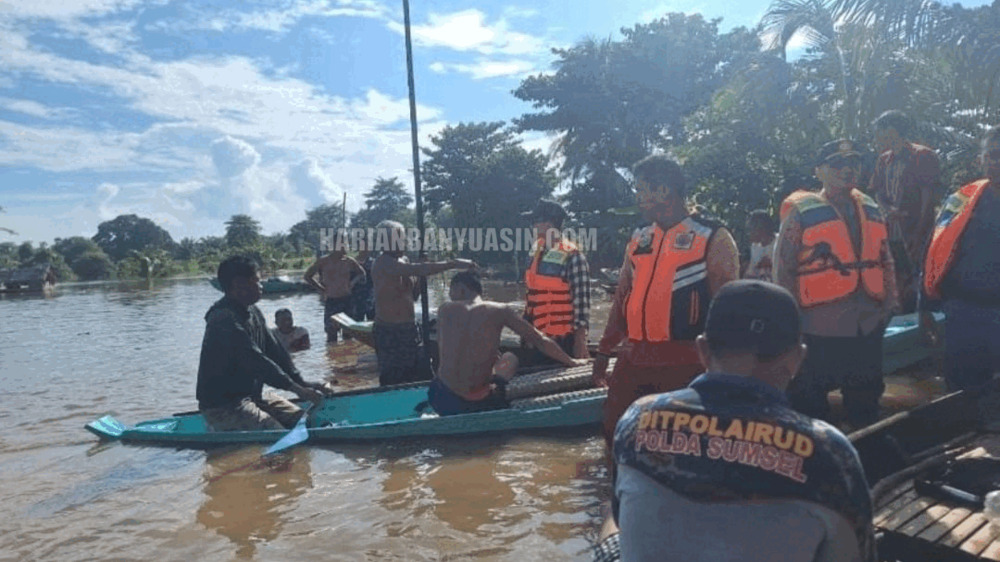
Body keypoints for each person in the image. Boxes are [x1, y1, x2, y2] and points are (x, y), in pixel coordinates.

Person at [598, 280, 876, 562]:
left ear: (703, 350)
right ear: (797, 359)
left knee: (610, 520)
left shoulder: (637, 419)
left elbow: (625, 520)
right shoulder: (829, 453)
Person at [593, 154, 740, 448]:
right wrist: (603, 352)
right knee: (615, 437)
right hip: (635, 357)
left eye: (640, 189)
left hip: (687, 361)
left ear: (663, 191)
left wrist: (728, 371)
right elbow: (622, 295)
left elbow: (729, 310)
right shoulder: (640, 237)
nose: (637, 197)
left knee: (680, 446)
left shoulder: (712, 236)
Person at [774, 139, 898, 428]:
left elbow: (886, 258)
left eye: (853, 163)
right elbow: (783, 268)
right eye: (837, 164)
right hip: (818, 326)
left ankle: (866, 459)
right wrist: (791, 321)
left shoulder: (871, 207)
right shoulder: (800, 211)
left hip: (866, 322)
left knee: (866, 399)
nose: (847, 170)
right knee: (809, 403)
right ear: (819, 171)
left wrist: (890, 302)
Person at [196, 256, 329, 431]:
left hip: (253, 397)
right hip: (224, 406)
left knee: (303, 421)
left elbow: (276, 352)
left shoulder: (253, 312)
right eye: (257, 280)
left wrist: (303, 382)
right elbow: (254, 360)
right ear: (239, 284)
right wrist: (297, 390)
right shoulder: (222, 319)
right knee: (279, 435)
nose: (261, 285)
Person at [429, 271, 586, 416]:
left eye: (451, 292)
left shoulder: (444, 310)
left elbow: (449, 349)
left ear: (460, 289)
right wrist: (572, 361)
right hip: (476, 403)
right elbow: (540, 340)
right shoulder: (501, 310)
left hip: (442, 398)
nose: (450, 297)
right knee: (510, 357)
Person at [920, 125, 1000, 394]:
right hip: (963, 312)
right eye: (993, 154)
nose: (997, 161)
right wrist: (926, 304)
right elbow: (936, 247)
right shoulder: (961, 199)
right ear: (981, 159)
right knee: (961, 393)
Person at [371, 220, 477, 386]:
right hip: (389, 331)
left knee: (420, 376)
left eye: (403, 237)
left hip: (410, 329)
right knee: (393, 380)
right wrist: (453, 263)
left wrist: (421, 274)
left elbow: (413, 296)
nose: (404, 242)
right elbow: (419, 270)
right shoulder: (383, 263)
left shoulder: (404, 261)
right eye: (399, 238)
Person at [869, 110, 941, 312]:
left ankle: (927, 317)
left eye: (880, 131)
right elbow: (878, 193)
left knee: (923, 275)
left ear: (891, 130)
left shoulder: (923, 155)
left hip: (917, 229)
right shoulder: (884, 160)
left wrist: (921, 231)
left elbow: (929, 196)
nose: (877, 137)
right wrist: (888, 210)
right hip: (892, 231)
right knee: (898, 276)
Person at [522, 199, 591, 361]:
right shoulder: (535, 252)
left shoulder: (573, 256)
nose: (532, 225)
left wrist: (580, 341)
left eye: (535, 221)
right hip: (537, 337)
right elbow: (531, 299)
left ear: (549, 223)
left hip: (563, 340)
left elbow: (582, 302)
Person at [303, 236, 366, 343]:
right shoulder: (323, 261)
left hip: (347, 300)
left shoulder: (349, 261)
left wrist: (351, 284)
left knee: (349, 336)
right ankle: (332, 357)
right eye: (343, 244)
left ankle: (347, 358)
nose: (346, 247)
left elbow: (361, 273)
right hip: (332, 301)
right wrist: (321, 289)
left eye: (346, 244)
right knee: (331, 336)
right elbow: (308, 276)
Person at [743, 209, 777, 282]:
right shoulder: (755, 247)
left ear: (761, 228)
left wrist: (771, 263)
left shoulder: (779, 242)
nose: (749, 234)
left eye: (751, 229)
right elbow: (750, 274)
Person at [350, 249, 376, 321]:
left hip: (370, 296)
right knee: (356, 321)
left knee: (372, 321)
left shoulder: (374, 262)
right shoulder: (352, 262)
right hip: (355, 296)